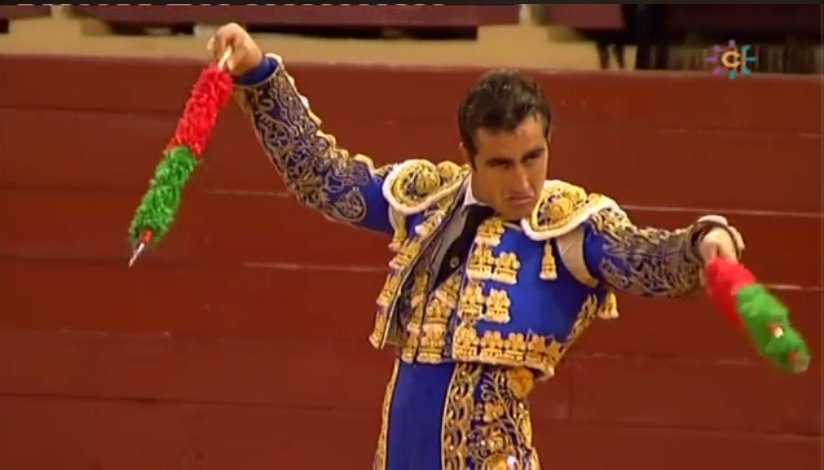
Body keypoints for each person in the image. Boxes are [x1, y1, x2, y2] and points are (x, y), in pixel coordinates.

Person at [208, 23, 744, 470]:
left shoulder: (571, 227)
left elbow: (644, 258)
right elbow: (325, 181)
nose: (524, 183)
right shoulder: (427, 201)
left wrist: (705, 245)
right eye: (501, 164)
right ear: (468, 155)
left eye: (533, 157)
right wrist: (258, 75)